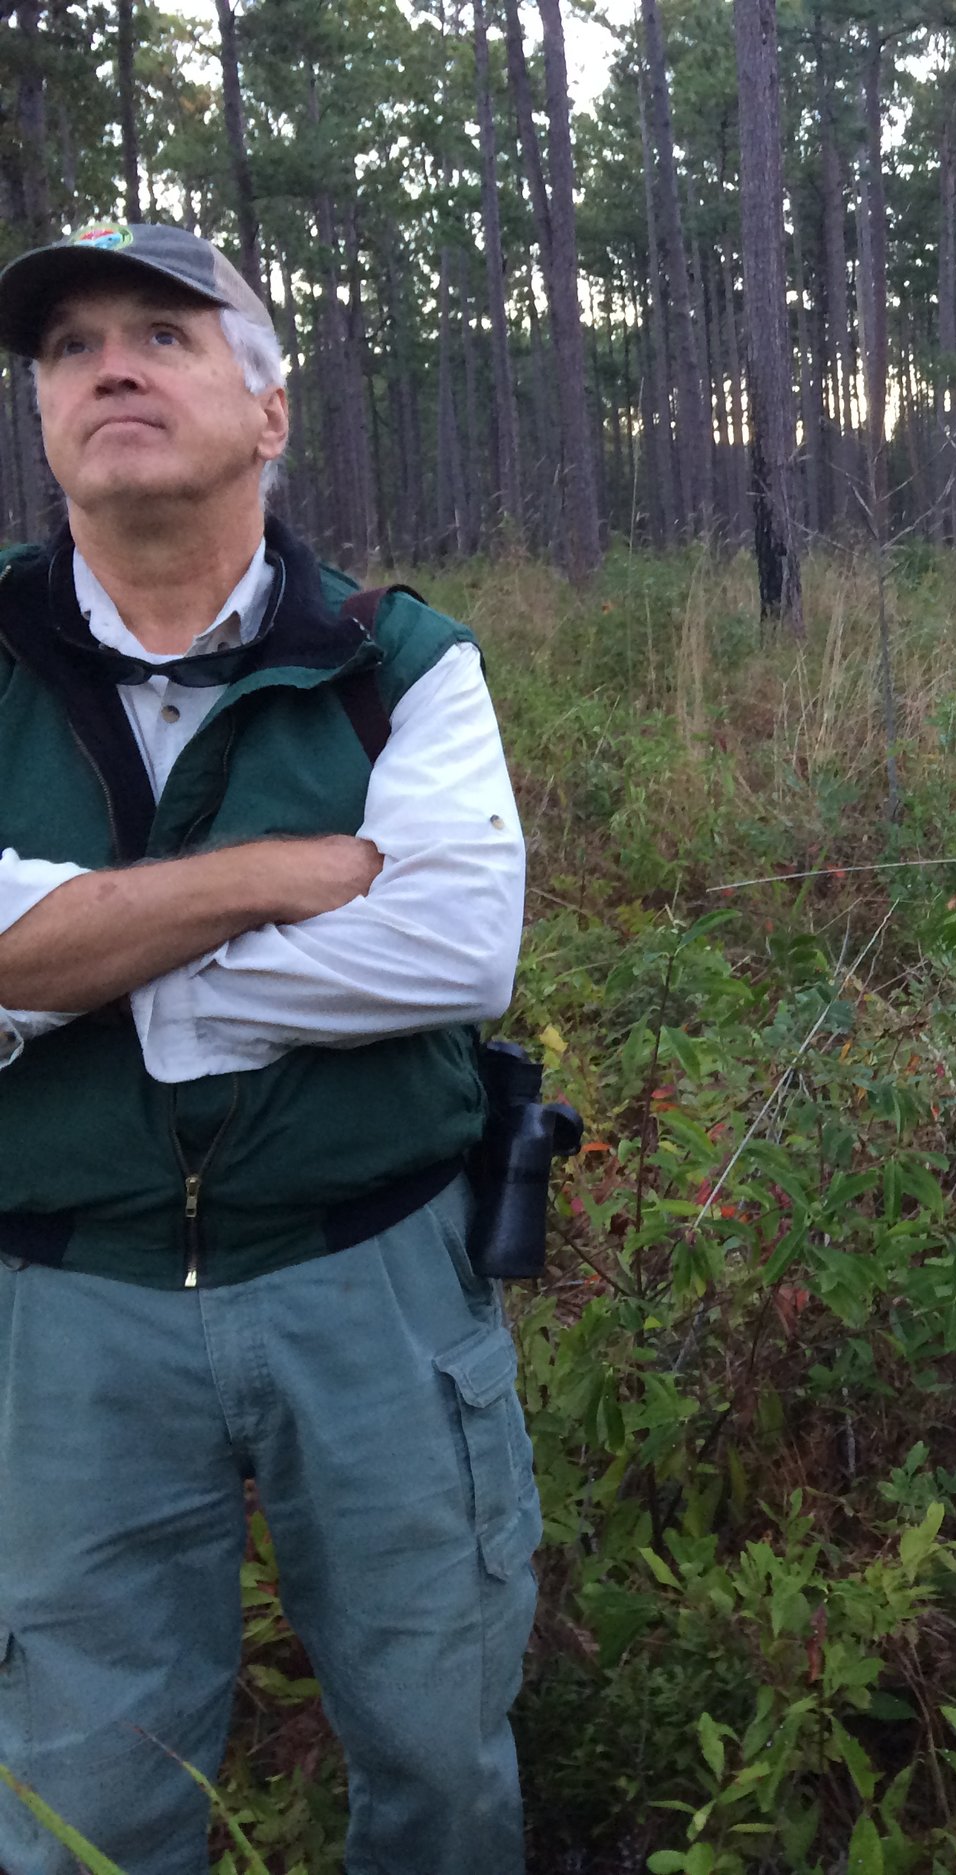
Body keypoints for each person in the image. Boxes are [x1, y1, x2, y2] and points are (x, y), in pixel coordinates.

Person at [0, 223, 536, 1873]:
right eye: (71, 343)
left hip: (368, 1282)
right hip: (65, 1305)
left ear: (269, 406)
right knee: (83, 1795)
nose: (111, 365)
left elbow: (455, 951)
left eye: (164, 331)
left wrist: (69, 959)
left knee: (440, 1754)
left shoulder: (401, 663)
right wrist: (281, 883)